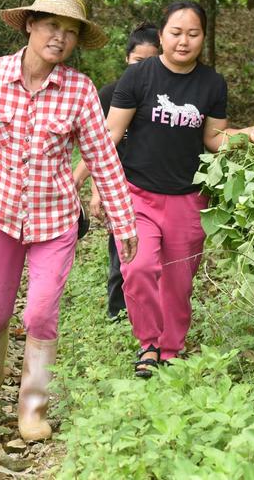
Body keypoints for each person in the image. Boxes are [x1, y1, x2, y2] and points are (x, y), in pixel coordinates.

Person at [0, 0, 138, 441]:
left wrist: (123, 220)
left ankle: (32, 406)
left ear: (77, 41)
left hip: (54, 220)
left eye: (70, 31)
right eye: (51, 26)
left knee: (40, 314)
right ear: (31, 26)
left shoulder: (79, 90)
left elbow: (102, 157)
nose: (59, 37)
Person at [75, 0, 254, 378]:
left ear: (203, 37)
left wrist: (246, 135)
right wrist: (76, 179)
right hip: (137, 195)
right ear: (163, 34)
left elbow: (214, 139)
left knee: (178, 282)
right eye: (176, 32)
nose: (184, 41)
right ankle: (148, 343)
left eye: (193, 34)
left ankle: (171, 350)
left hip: (188, 198)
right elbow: (110, 135)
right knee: (138, 267)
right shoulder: (138, 78)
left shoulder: (212, 83)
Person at [90, 22, 160, 321]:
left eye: (152, 62)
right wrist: (97, 191)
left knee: (154, 258)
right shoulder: (108, 95)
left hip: (154, 187)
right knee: (120, 254)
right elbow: (99, 147)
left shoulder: (163, 98)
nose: (144, 69)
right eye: (138, 62)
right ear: (126, 59)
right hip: (119, 186)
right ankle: (117, 311)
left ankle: (151, 312)